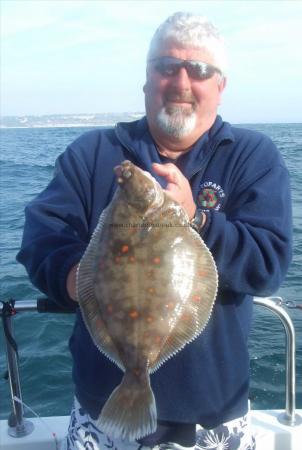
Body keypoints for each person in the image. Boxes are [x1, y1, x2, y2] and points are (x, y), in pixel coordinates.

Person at [17, 12, 292, 450]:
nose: (181, 82)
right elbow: (41, 240)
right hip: (98, 414)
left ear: (219, 87)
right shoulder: (91, 154)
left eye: (198, 70)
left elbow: (269, 265)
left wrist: (196, 218)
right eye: (166, 67)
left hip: (213, 421)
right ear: (146, 81)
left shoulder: (253, 156)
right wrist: (82, 281)